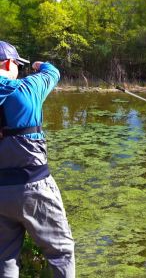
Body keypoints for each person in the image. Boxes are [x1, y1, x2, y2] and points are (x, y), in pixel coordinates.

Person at [0, 41, 75, 278]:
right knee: (61, 252)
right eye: (18, 66)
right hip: (34, 187)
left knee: (5, 256)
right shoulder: (26, 88)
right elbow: (52, 72)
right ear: (10, 63)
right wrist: (38, 64)